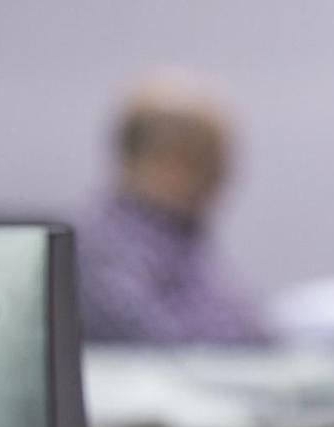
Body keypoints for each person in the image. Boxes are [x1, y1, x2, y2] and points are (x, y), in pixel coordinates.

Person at [76, 71, 267, 346]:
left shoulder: (179, 240)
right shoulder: (105, 251)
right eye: (212, 161)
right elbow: (158, 342)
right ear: (175, 159)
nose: (224, 179)